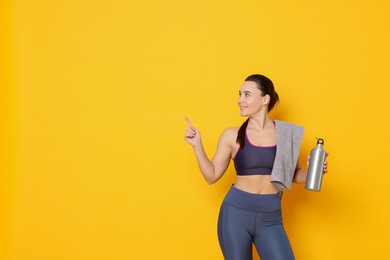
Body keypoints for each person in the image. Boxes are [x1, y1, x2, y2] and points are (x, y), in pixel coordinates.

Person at [184, 74, 328, 260]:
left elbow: (294, 175)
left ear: (265, 99)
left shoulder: (286, 133)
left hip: (271, 219)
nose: (240, 100)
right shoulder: (231, 135)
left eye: (246, 95)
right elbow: (211, 176)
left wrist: (313, 171)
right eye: (240, 94)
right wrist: (197, 145)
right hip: (235, 216)